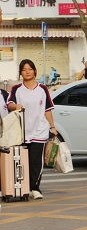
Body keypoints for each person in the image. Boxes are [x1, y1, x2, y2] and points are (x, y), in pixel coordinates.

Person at [7, 59, 57, 200]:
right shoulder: (16, 89)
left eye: (30, 69)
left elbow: (47, 109)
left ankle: (35, 188)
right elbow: (9, 104)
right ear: (20, 72)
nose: (27, 72)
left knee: (36, 161)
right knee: (23, 161)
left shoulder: (43, 89)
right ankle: (24, 188)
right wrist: (15, 106)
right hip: (22, 131)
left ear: (35, 71)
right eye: (24, 69)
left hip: (39, 130)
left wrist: (52, 127)